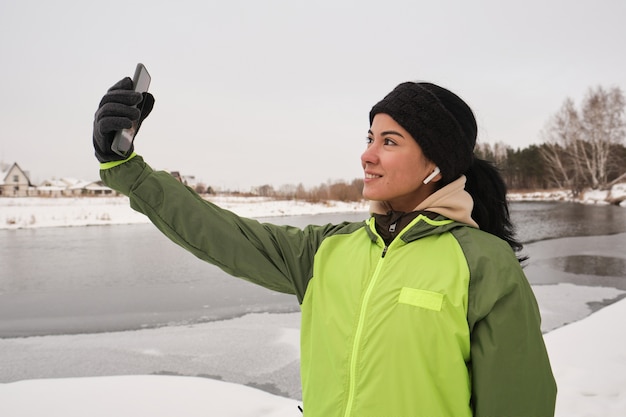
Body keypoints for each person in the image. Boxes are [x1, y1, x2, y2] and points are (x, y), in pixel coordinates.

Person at [93, 77, 557, 416]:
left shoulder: (483, 263)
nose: (368, 154)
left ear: (436, 162)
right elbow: (222, 235)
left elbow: (519, 405)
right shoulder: (328, 251)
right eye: (370, 138)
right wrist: (127, 168)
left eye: (389, 141)